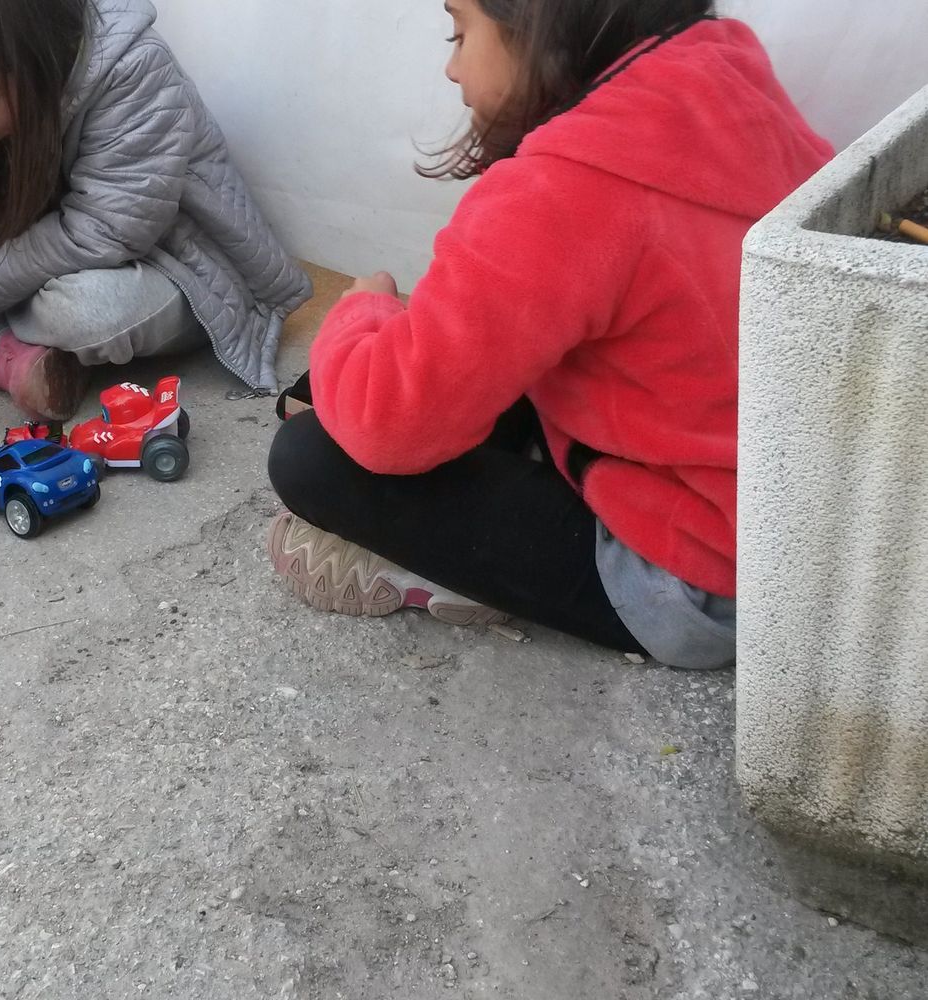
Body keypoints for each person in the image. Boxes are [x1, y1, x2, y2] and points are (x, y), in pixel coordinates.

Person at [265, 0, 832, 668]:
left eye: (459, 31)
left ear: (533, 27)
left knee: (312, 456)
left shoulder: (565, 184)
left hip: (701, 582)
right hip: (796, 527)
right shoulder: (719, 71)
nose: (450, 68)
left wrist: (360, 311)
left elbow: (383, 421)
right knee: (452, 368)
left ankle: (453, 573)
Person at [0, 0, 311, 424]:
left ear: (40, 64)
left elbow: (107, 232)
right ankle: (8, 346)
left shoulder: (134, 69)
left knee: (79, 311)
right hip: (31, 256)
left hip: (165, 266)